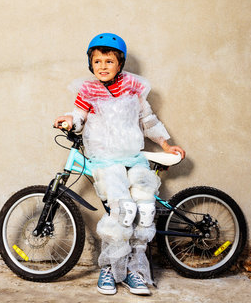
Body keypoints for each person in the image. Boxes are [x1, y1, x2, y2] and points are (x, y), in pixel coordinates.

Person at [54, 33, 185, 296]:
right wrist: (69, 122)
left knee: (145, 210)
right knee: (123, 210)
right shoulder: (88, 91)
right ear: (91, 64)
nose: (103, 66)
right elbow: (79, 118)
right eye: (98, 61)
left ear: (120, 64)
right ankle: (111, 269)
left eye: (109, 61)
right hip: (105, 160)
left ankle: (134, 270)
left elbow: (147, 119)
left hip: (133, 157)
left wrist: (165, 144)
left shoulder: (132, 88)